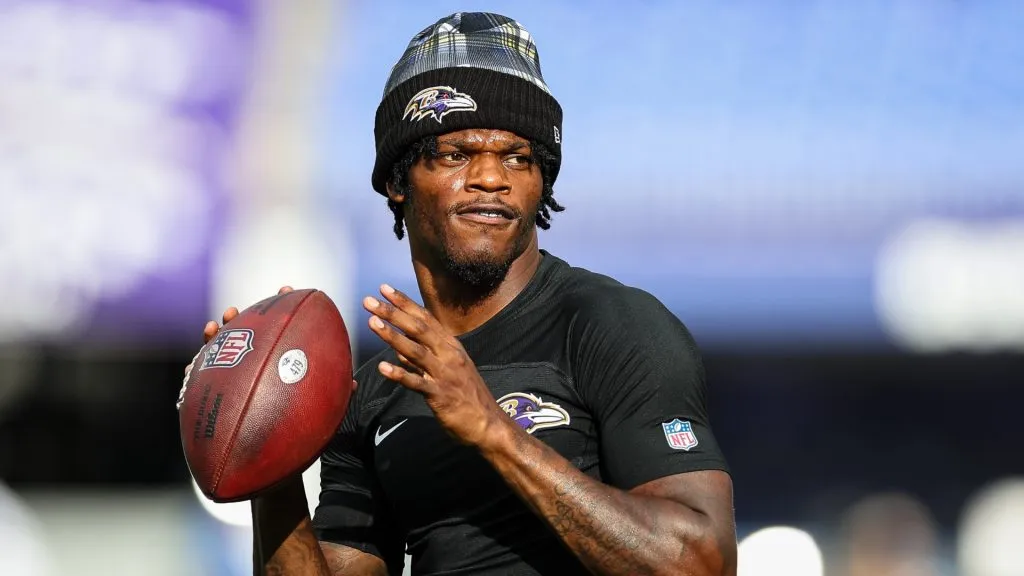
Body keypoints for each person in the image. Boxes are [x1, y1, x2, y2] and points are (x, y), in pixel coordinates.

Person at [192, 12, 737, 576]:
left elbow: (699, 561)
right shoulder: (376, 395)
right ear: (398, 182)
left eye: (517, 158)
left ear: (541, 180)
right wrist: (267, 460)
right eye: (456, 155)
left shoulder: (611, 325)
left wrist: (493, 431)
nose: (491, 178)